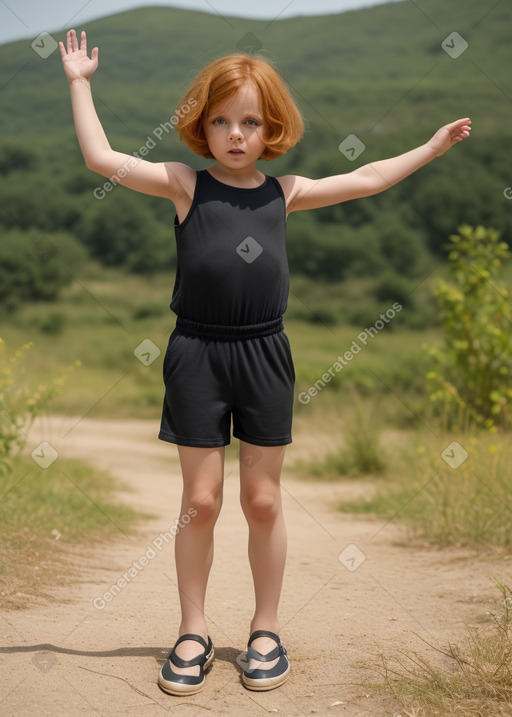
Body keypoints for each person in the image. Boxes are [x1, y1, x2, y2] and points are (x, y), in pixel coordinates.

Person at [59, 28, 471, 696]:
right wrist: (79, 81)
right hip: (196, 352)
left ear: (271, 127)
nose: (235, 133)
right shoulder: (184, 184)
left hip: (264, 353)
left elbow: (366, 178)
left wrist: (431, 146)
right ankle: (192, 630)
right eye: (221, 120)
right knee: (200, 499)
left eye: (249, 121)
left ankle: (266, 628)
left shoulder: (285, 192)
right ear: (201, 126)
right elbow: (100, 157)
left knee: (263, 499)